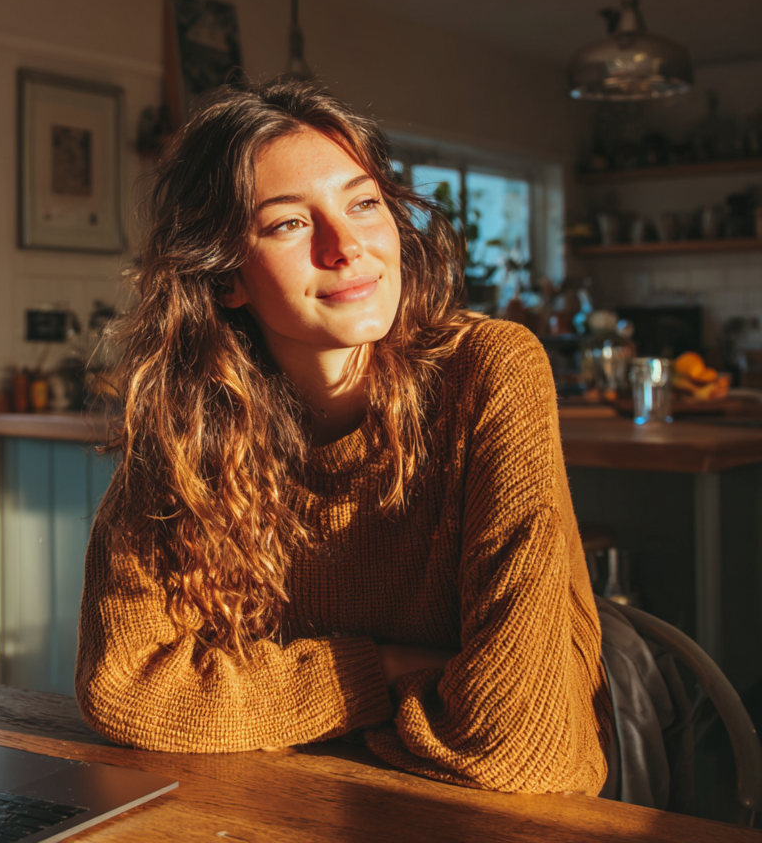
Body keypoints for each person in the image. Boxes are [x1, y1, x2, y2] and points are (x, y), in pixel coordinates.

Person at [75, 77, 611, 795]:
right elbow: (128, 690)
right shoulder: (187, 422)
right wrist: (386, 669)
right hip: (278, 806)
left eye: (363, 204)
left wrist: (270, 704)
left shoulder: (491, 370)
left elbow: (521, 744)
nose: (347, 246)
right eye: (289, 224)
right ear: (225, 275)